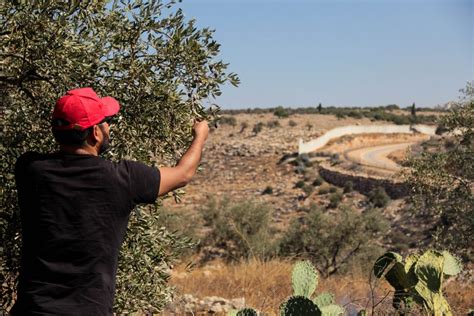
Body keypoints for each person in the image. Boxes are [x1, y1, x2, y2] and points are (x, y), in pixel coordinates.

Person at [11, 87, 209, 315]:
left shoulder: (29, 170)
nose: (109, 126)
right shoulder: (122, 179)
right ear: (95, 132)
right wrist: (200, 136)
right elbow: (183, 174)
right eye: (105, 121)